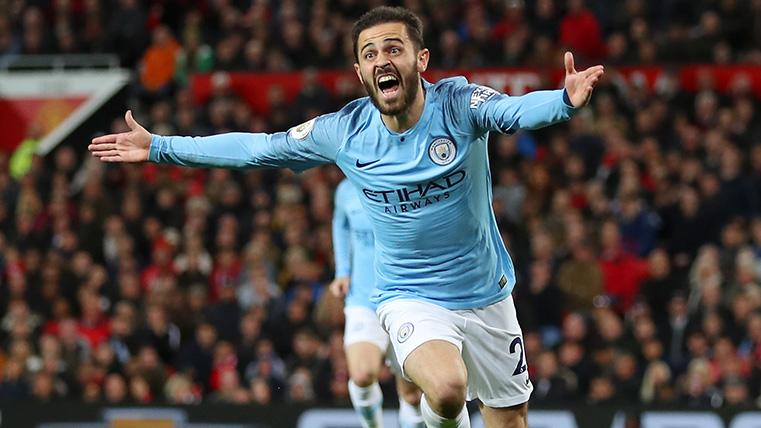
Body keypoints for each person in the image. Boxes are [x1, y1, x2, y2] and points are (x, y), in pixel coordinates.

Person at [89, 6, 604, 427]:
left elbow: (513, 111)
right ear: (359, 72)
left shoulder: (459, 104)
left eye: (394, 48)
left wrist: (564, 100)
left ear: (421, 60)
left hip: (487, 290)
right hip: (409, 294)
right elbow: (257, 149)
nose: (382, 59)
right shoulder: (346, 131)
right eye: (370, 53)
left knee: (509, 417)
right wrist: (160, 147)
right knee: (448, 390)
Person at [330, 178, 423, 428]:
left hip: (407, 299)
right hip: (363, 300)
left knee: (413, 396)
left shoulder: (406, 178)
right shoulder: (345, 189)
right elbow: (340, 223)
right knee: (361, 375)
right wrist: (342, 270)